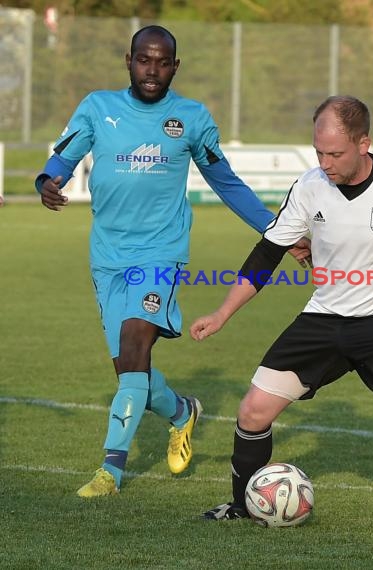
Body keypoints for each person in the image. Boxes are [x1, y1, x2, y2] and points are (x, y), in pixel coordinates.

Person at [35, 25, 310, 498]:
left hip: (160, 253)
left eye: (163, 63)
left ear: (175, 67)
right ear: (129, 60)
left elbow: (226, 182)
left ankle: (110, 471)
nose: (153, 71)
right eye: (145, 60)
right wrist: (48, 181)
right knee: (129, 369)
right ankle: (182, 413)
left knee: (135, 345)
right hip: (107, 256)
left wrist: (277, 230)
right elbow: (63, 157)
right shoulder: (98, 108)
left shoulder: (190, 118)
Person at [190, 95, 373, 530]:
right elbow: (267, 253)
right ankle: (242, 504)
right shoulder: (309, 187)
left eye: (335, 153)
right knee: (252, 412)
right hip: (324, 317)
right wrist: (222, 313)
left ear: (364, 144)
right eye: (318, 151)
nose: (325, 162)